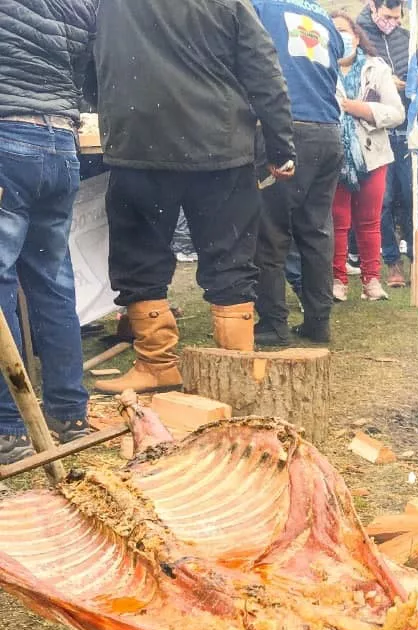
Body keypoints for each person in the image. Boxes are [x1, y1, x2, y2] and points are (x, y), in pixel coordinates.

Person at [95, 0, 294, 393]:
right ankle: (236, 371)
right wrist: (280, 144)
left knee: (139, 258)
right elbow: (263, 70)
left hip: (140, 143)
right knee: (231, 259)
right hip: (220, 143)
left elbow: (93, 65)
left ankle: (156, 363)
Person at [0, 0, 96, 463]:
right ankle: (69, 413)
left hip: (7, 133)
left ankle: (8, 427)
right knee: (53, 283)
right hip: (61, 141)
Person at [251, 0, 343, 346]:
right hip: (328, 130)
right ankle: (319, 322)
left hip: (285, 127)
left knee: (270, 231)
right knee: (316, 231)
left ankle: (273, 324)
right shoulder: (322, 16)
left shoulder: (261, 7)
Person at [330, 12, 404, 303]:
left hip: (373, 155)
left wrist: (360, 109)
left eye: (344, 30)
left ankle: (371, 279)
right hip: (335, 154)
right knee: (338, 221)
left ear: (356, 36)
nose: (341, 36)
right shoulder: (321, 67)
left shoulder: (377, 67)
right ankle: (338, 279)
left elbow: (396, 112)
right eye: (334, 31)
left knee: (370, 221)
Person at [357, 0, 415, 289]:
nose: (393, 21)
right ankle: (392, 261)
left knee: (413, 198)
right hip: (377, 130)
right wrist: (385, 83)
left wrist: (412, 83)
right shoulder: (359, 34)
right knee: (384, 201)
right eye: (387, 16)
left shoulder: (407, 37)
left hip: (406, 129)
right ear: (373, 8)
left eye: (397, 16)